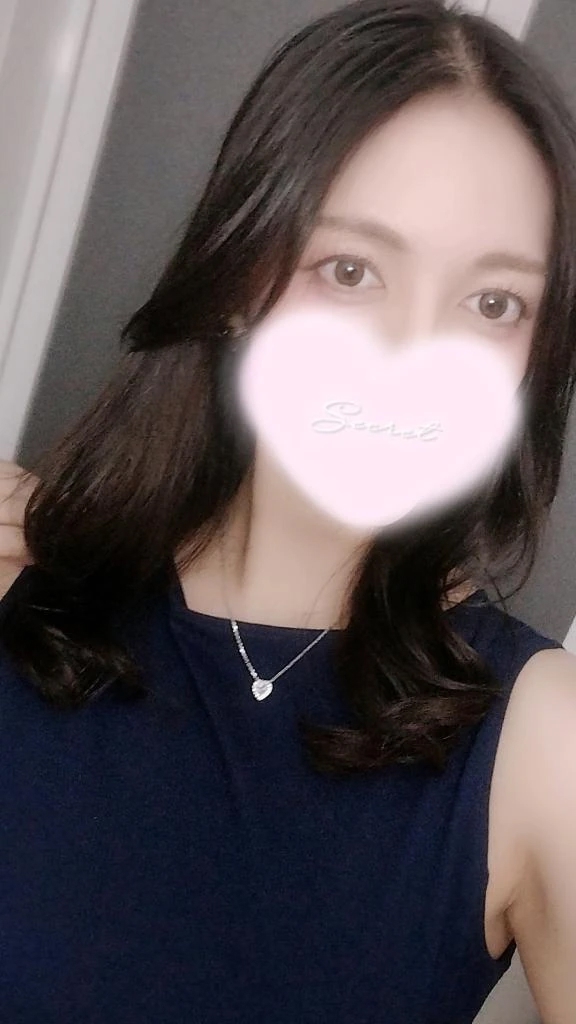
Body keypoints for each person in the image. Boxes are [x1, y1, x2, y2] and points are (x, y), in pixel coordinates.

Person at [0, 0, 575, 1020]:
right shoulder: (30, 597)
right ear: (236, 281)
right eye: (350, 271)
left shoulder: (539, 741)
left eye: (493, 303)